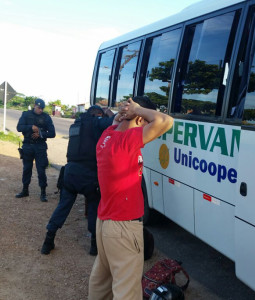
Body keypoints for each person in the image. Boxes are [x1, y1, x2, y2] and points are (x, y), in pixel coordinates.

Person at [88, 96, 174, 300]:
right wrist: (136, 109)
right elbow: (166, 121)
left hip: (105, 224)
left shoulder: (107, 137)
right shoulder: (126, 141)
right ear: (139, 119)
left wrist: (124, 114)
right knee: (126, 291)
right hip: (123, 228)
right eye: (145, 120)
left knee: (102, 281)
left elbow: (116, 123)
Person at [41, 105, 114, 256]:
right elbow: (115, 121)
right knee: (94, 207)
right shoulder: (95, 122)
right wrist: (108, 113)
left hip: (70, 172)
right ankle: (94, 246)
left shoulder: (75, 125)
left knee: (63, 207)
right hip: (89, 174)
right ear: (98, 114)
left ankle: (48, 241)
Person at [16, 98, 56, 202]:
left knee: (41, 170)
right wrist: (30, 127)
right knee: (27, 169)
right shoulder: (26, 114)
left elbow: (52, 133)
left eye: (42, 108)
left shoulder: (46, 117)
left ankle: (43, 193)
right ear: (34, 106)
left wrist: (41, 133)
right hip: (28, 145)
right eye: (39, 108)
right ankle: (25, 190)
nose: (40, 110)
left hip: (40, 146)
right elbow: (19, 127)